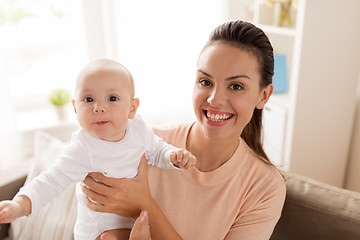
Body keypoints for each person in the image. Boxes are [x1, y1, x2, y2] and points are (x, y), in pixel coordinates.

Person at [80, 20, 286, 240]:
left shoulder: (264, 187)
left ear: (263, 95)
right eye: (205, 82)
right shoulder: (141, 143)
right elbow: (92, 224)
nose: (215, 99)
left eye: (236, 86)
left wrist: (144, 205)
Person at [0, 59, 197, 240]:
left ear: (132, 108)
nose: (99, 107)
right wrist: (20, 205)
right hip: (98, 230)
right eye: (88, 99)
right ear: (75, 108)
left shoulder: (138, 128)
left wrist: (172, 156)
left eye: (112, 98)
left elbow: (156, 150)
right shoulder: (82, 147)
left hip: (133, 219)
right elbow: (51, 180)